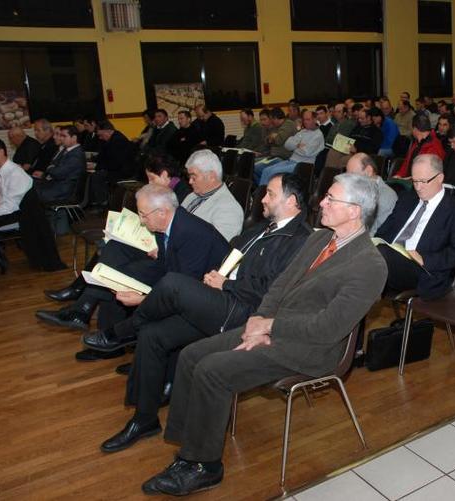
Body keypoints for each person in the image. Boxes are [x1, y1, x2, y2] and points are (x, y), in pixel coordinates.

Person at [139, 173, 387, 496]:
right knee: (191, 356)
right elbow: (280, 285)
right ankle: (191, 447)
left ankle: (204, 466)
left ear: (354, 211)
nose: (321, 202)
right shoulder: (319, 238)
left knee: (213, 371)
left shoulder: (370, 264)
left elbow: (329, 327)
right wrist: (258, 319)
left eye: (330, 199)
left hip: (311, 349)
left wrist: (271, 327)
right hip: (274, 326)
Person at [87, 173, 312, 454]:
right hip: (223, 300)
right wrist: (217, 275)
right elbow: (231, 256)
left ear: (291, 201)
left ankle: (121, 332)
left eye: (270, 194)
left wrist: (226, 282)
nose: (262, 198)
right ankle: (144, 419)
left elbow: (273, 293)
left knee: (174, 284)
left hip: (246, 313)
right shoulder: (262, 229)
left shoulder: (300, 241)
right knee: (153, 334)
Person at [36, 184, 228, 333]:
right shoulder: (164, 223)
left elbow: (186, 283)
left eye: (144, 215)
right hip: (172, 267)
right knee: (116, 265)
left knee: (123, 274)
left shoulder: (190, 232)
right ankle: (94, 320)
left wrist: (145, 298)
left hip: (196, 286)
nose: (142, 221)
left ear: (162, 212)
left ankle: (102, 326)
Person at [375, 154, 455, 299]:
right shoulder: (407, 198)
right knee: (359, 249)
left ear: (440, 178)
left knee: (376, 255)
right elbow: (385, 230)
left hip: (423, 269)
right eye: (414, 181)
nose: (418, 187)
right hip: (390, 257)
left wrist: (424, 259)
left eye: (424, 181)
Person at [0, 138, 33, 298]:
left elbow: (11, 206)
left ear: (1, 152)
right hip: (2, 211)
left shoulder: (16, 173)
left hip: (14, 215)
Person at [181, 149, 244, 241]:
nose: (190, 182)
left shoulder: (229, 209)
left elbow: (217, 248)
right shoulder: (192, 196)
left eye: (194, 177)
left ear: (211, 176)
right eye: (189, 177)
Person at [256, 109, 325, 186]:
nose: (305, 122)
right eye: (304, 119)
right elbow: (287, 144)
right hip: (291, 160)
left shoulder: (318, 135)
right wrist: (298, 145)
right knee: (266, 170)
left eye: (308, 119)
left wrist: (294, 146)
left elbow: (306, 152)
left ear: (315, 120)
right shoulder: (303, 132)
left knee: (273, 172)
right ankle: (261, 194)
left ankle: (268, 194)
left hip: (303, 165)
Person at [345, 153, 397, 235]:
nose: (349, 180)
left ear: (368, 171)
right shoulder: (351, 189)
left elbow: (375, 233)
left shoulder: (387, 196)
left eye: (352, 174)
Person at [34, 125, 86, 204]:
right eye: (61, 136)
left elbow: (58, 173)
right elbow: (53, 166)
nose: (61, 138)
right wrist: (52, 168)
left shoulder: (76, 154)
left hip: (64, 191)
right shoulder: (67, 150)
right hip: (57, 185)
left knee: (31, 194)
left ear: (74, 138)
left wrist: (50, 168)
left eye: (64, 136)